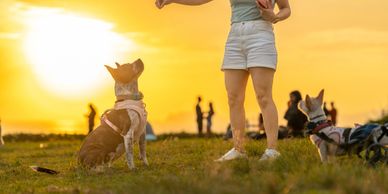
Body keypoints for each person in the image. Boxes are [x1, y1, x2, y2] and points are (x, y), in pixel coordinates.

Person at [156, 0, 291, 161]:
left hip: (261, 35)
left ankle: (272, 150)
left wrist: (275, 16)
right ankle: (238, 149)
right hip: (235, 36)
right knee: (233, 98)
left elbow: (286, 9)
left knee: (263, 96)